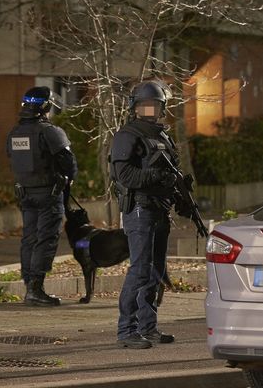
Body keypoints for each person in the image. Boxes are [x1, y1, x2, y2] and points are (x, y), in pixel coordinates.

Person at [109, 80, 180, 349]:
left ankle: (147, 327)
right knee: (139, 271)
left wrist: (181, 192)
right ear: (136, 107)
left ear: (162, 108)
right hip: (140, 209)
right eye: (145, 105)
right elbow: (123, 174)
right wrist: (154, 175)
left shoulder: (163, 136)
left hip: (160, 209)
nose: (150, 110)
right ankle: (126, 330)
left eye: (155, 106)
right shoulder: (128, 135)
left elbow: (173, 173)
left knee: (155, 271)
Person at [6, 86, 77, 307]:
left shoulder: (14, 133)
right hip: (48, 193)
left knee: (29, 238)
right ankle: (36, 289)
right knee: (45, 239)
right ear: (46, 107)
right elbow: (68, 161)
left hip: (25, 194)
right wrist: (69, 178)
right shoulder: (50, 131)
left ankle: (29, 286)